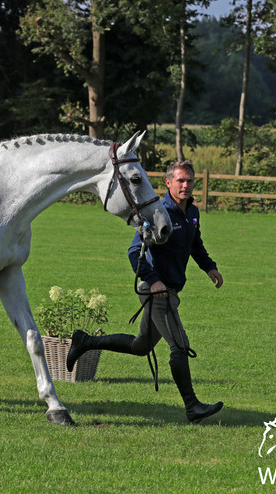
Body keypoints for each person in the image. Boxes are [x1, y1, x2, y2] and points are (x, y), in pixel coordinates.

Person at [66, 159, 224, 423]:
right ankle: (192, 406)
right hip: (155, 291)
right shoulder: (156, 211)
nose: (185, 185)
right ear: (168, 183)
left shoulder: (192, 213)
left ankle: (86, 341)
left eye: (189, 181)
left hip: (169, 288)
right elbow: (132, 252)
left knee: (141, 346)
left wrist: (210, 268)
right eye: (180, 180)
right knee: (179, 346)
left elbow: (196, 246)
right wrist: (153, 281)